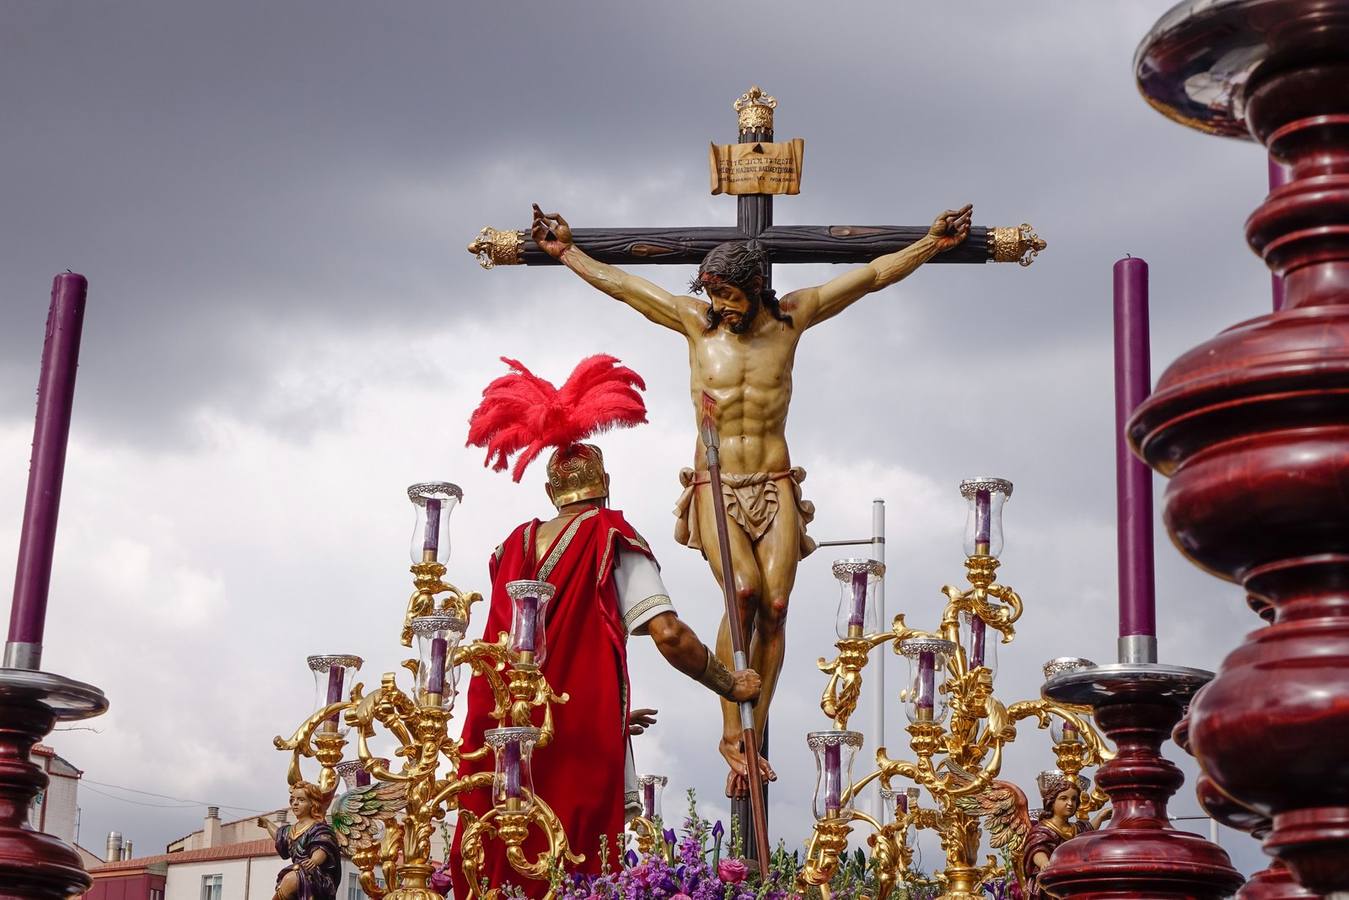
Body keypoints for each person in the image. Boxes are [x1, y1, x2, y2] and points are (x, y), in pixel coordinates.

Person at [530, 203, 973, 793]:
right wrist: (568, 253)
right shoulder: (696, 324)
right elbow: (628, 287)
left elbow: (867, 276)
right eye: (713, 295)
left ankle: (752, 727)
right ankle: (729, 727)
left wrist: (929, 245)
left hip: (775, 481)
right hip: (715, 482)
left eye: (731, 297)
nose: (721, 308)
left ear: (757, 289)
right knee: (741, 593)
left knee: (778, 605)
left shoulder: (794, 317)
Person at [449, 355, 765, 899]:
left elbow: (523, 652)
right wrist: (728, 683)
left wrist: (610, 707)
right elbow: (669, 635)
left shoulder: (511, 547)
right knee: (575, 869)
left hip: (503, 741)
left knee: (502, 862)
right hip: (575, 747)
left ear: (553, 494)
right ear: (605, 485)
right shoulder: (610, 537)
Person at [1021, 772, 1107, 899]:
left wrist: (1100, 817)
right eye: (1064, 798)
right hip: (1050, 884)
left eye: (1074, 799)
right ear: (1052, 801)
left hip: (1072, 880)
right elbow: (1037, 849)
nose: (1070, 803)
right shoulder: (1042, 829)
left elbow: (1088, 829)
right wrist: (1044, 863)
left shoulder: (1075, 828)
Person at [258, 782, 342, 900]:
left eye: (301, 800)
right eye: (293, 800)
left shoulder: (319, 828)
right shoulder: (292, 829)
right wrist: (267, 824)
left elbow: (323, 847)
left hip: (316, 875)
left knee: (291, 879)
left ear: (312, 804)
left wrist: (314, 860)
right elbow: (280, 836)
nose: (295, 803)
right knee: (290, 878)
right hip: (299, 871)